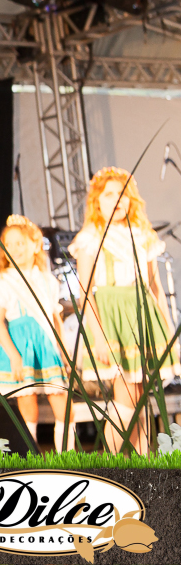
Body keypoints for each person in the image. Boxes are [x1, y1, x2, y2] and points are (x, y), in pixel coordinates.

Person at [69, 166, 180, 454]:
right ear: (97, 201)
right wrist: (99, 336)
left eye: (122, 193)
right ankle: (108, 463)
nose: (117, 199)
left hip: (142, 315)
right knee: (126, 396)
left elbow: (154, 287)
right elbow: (85, 293)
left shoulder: (142, 235)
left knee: (140, 397)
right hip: (112, 319)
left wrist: (169, 330)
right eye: (109, 194)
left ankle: (143, 461)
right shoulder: (91, 237)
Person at [0, 215, 74, 451]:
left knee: (64, 406)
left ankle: (68, 458)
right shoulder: (2, 281)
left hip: (46, 346)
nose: (15, 249)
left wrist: (64, 351)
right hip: (20, 347)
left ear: (35, 245)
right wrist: (14, 356)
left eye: (20, 243)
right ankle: (32, 456)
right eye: (9, 244)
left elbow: (55, 319)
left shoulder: (47, 280)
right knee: (28, 406)